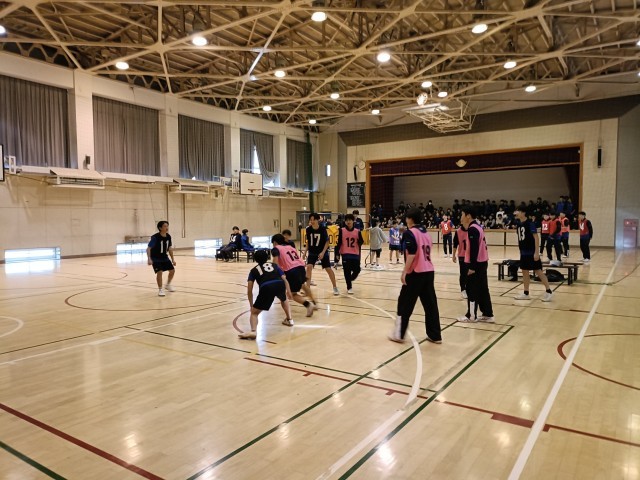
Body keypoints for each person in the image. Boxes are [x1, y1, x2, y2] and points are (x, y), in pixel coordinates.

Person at [388, 208, 441, 344]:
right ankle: (435, 335)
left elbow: (412, 253)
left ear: (410, 219)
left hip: (415, 273)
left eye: (406, 218)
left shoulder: (410, 233)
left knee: (404, 303)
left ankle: (399, 334)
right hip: (428, 271)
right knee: (430, 305)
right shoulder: (426, 233)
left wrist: (405, 271)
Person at [239, 250, 294, 340]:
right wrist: (288, 291)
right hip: (280, 284)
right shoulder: (275, 265)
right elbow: (284, 279)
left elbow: (249, 290)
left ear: (255, 259)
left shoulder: (253, 271)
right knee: (284, 299)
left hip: (266, 287)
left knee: (254, 313)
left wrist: (251, 305)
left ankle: (253, 331)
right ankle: (290, 320)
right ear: (267, 257)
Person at [457, 205, 494, 323]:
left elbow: (474, 249)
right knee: (483, 289)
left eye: (462, 214)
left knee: (471, 289)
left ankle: (471, 316)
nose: (461, 217)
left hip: (476, 264)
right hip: (482, 262)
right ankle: (488, 314)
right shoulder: (478, 227)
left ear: (468, 216)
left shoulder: (472, 229)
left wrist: (472, 267)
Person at [513, 206, 554, 302]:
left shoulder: (530, 224)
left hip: (531, 252)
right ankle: (526, 293)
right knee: (524, 271)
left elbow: (536, 237)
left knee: (538, 271)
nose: (516, 213)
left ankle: (549, 291)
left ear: (523, 213)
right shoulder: (518, 224)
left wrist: (536, 252)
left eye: (518, 211)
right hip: (523, 252)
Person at [271, 234, 317, 317]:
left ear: (274, 242)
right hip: (301, 267)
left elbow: (275, 263)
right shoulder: (290, 247)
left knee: (292, 294)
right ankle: (314, 302)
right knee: (303, 285)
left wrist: (275, 274)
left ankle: (308, 305)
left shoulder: (276, 248)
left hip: (292, 270)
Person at [304, 213, 340, 295]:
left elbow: (327, 242)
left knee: (328, 269)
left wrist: (323, 252)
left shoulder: (323, 229)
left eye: (314, 219)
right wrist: (305, 252)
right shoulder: (308, 229)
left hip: (322, 251)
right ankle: (307, 289)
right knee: (308, 268)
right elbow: (308, 241)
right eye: (311, 220)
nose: (312, 221)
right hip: (312, 252)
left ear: (317, 220)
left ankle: (335, 287)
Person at [146, 221, 176, 297]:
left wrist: (173, 259)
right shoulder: (155, 237)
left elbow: (170, 248)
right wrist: (149, 258)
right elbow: (148, 248)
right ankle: (160, 289)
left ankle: (168, 285)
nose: (167, 228)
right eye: (165, 226)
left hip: (164, 257)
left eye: (167, 226)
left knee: (172, 271)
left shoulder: (168, 236)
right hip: (155, 258)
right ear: (160, 228)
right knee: (159, 272)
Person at [337, 214, 364, 294]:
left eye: (350, 220)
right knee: (347, 271)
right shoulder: (342, 230)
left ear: (353, 221)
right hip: (345, 254)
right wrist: (337, 254)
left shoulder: (357, 231)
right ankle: (349, 287)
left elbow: (361, 241)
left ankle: (350, 279)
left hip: (355, 253)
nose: (348, 222)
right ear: (345, 222)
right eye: (347, 220)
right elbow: (339, 242)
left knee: (357, 270)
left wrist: (359, 242)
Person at [452, 224, 468, 299]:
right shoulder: (458, 231)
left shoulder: (472, 229)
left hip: (471, 256)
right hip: (462, 256)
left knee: (471, 274)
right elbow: (455, 244)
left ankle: (469, 288)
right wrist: (453, 255)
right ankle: (463, 289)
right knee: (463, 273)